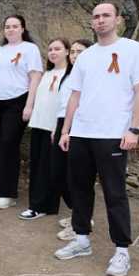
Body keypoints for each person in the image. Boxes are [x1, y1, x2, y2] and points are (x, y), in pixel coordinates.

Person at [56, 2, 139, 276]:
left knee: (114, 192)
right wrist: (66, 130)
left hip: (113, 134)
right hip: (81, 133)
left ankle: (122, 250)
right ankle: (81, 239)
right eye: (96, 16)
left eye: (106, 15)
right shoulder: (85, 57)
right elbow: (75, 95)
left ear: (118, 19)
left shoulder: (133, 49)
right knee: (80, 189)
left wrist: (133, 129)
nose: (100, 20)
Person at [0, 15, 42, 209]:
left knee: (9, 144)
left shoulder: (30, 49)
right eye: (7, 26)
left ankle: (8, 193)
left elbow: (35, 77)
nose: (11, 29)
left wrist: (29, 105)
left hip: (17, 101)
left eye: (15, 26)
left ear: (22, 28)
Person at [20, 38, 71, 220]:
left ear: (67, 51)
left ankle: (41, 206)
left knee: (49, 168)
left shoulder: (70, 74)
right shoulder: (47, 73)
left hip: (55, 127)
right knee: (37, 166)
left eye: (57, 49)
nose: (53, 52)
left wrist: (59, 128)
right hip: (39, 124)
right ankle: (41, 205)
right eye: (50, 49)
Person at [55, 39, 93, 240]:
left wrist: (70, 129)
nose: (75, 55)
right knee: (60, 173)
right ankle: (76, 215)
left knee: (76, 177)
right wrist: (59, 128)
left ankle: (81, 221)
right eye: (73, 52)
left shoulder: (91, 75)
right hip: (63, 124)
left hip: (80, 127)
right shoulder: (69, 75)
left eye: (81, 51)